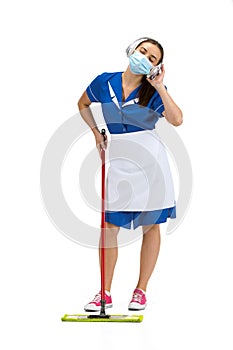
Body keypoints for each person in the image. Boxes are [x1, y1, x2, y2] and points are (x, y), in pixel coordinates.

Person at [77, 37, 183, 311]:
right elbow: (82, 104)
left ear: (156, 67)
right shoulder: (104, 82)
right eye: (143, 51)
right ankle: (104, 292)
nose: (144, 58)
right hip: (120, 160)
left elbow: (177, 119)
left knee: (151, 224)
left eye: (152, 58)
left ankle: (141, 290)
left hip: (151, 162)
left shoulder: (153, 91)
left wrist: (159, 86)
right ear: (132, 50)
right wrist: (95, 134)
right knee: (109, 227)